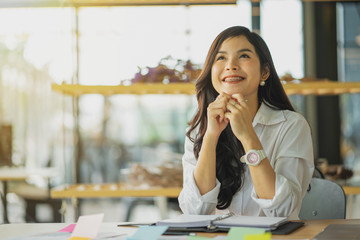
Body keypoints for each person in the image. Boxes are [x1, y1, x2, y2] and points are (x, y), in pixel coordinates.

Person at [178, 26, 314, 220]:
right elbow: (194, 211)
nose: (231, 65)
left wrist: (247, 135)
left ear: (264, 72)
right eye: (221, 58)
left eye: (243, 56)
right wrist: (210, 136)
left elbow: (281, 210)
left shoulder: (291, 125)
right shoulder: (199, 130)